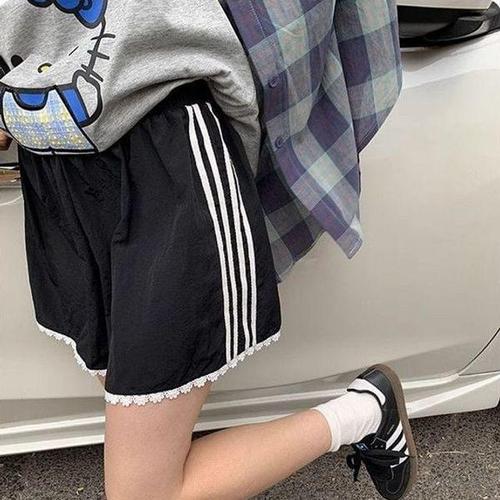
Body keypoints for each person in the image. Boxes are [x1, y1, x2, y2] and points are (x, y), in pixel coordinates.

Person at [0, 1, 416, 499]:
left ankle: (365, 412)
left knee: (143, 493)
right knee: (132, 403)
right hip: (57, 158)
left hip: (166, 145)